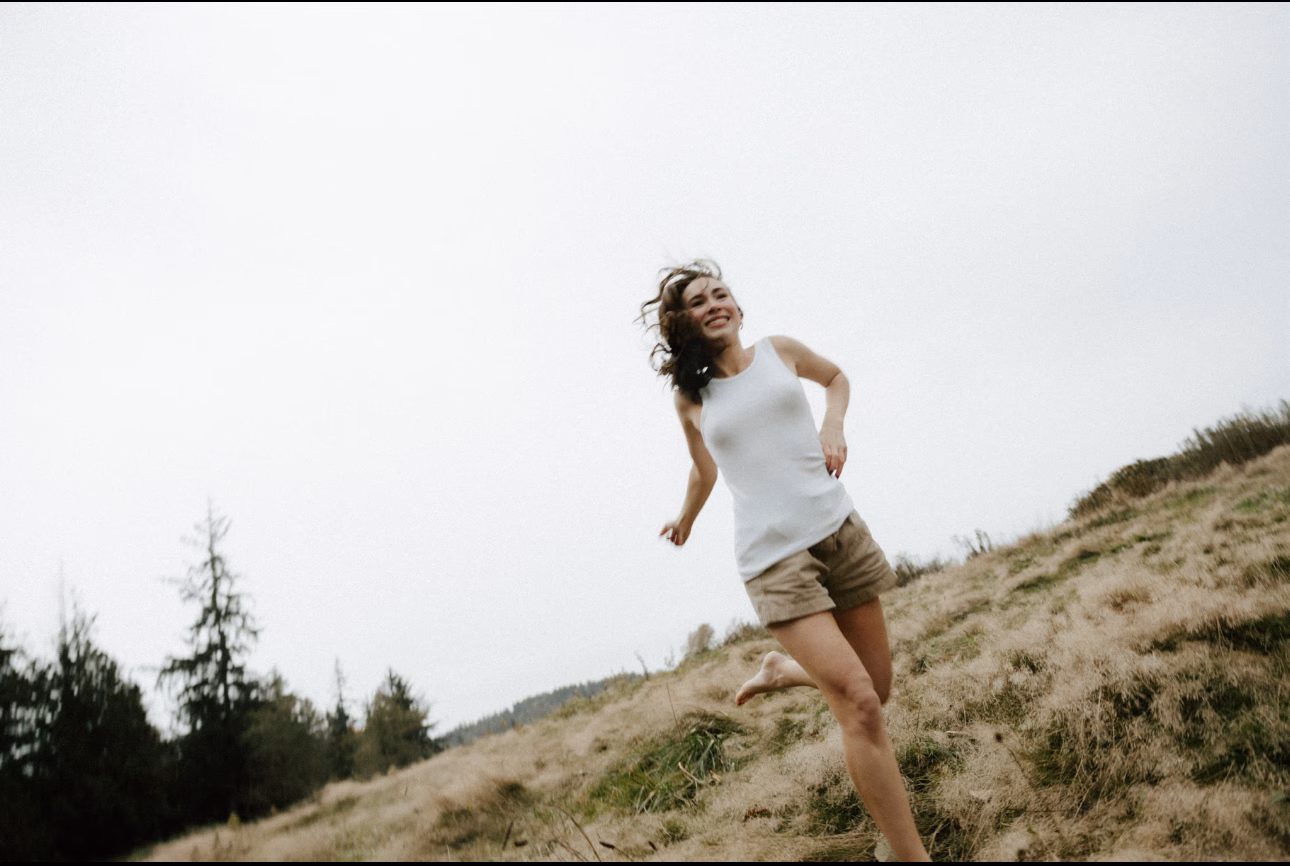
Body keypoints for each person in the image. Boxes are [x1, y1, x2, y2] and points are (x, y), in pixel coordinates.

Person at [639, 260, 930, 862]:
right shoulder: (691, 399)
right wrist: (685, 518)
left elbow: (836, 378)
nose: (714, 304)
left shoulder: (781, 351)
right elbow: (704, 469)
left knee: (877, 688)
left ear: (738, 308)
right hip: (774, 561)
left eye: (721, 293)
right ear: (684, 323)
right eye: (698, 301)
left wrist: (833, 425)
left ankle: (780, 672)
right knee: (859, 704)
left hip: (839, 532)